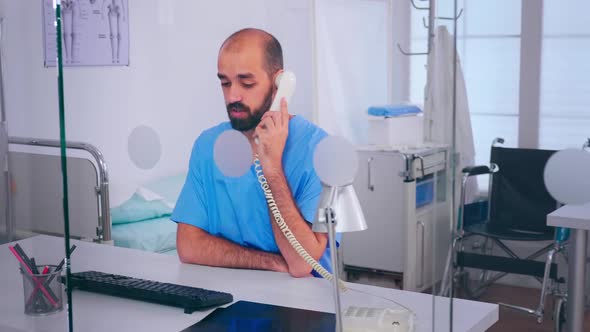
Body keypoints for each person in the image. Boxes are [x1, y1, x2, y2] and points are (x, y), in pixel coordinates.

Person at [171, 28, 334, 278]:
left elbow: (301, 264)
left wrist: (271, 168)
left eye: (246, 83)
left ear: (279, 82)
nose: (233, 95)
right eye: (225, 83)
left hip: (304, 305)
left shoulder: (318, 149)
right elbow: (189, 247)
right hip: (231, 298)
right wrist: (270, 263)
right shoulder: (208, 146)